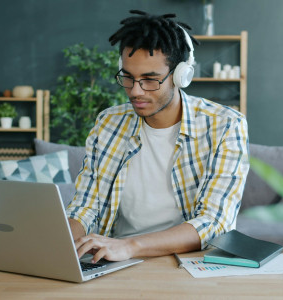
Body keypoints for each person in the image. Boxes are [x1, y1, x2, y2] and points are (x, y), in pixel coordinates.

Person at [66, 10, 249, 263]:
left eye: (150, 80)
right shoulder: (108, 123)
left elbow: (214, 221)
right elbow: (86, 206)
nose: (135, 91)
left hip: (189, 262)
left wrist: (130, 246)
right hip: (116, 260)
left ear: (180, 76)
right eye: (128, 77)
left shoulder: (225, 125)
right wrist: (61, 243)